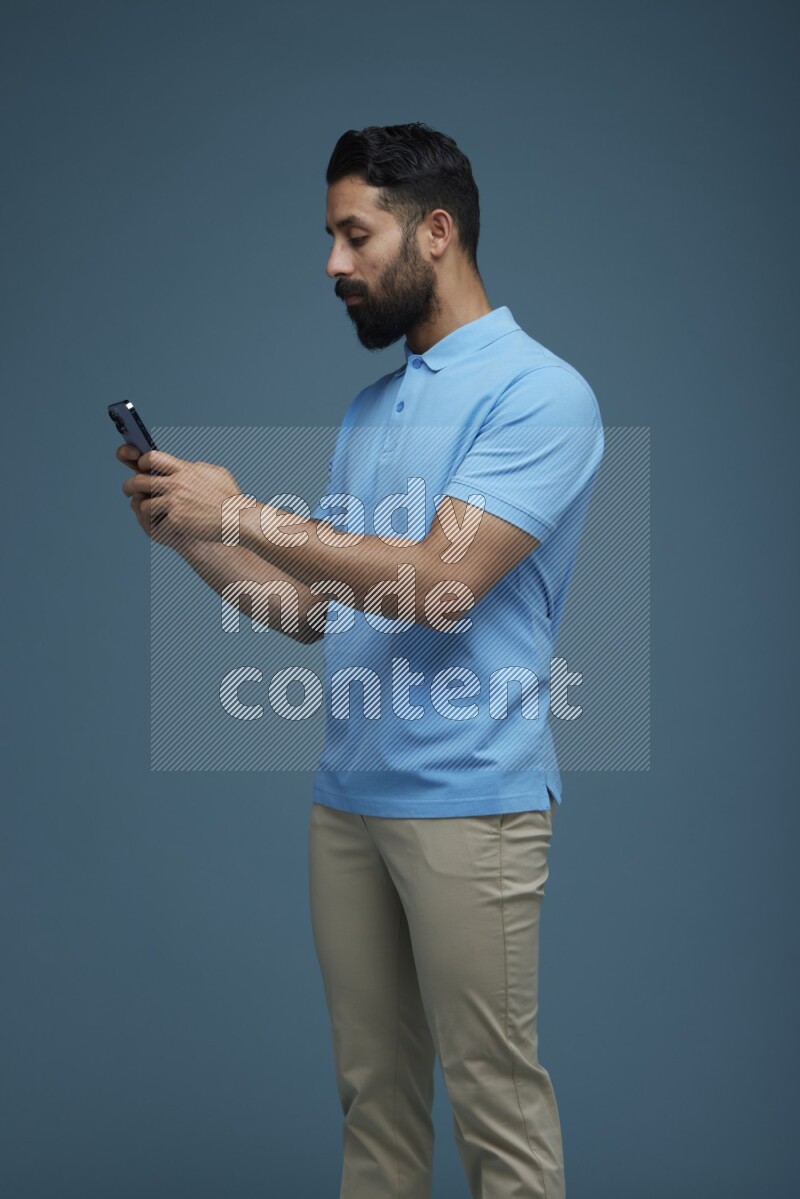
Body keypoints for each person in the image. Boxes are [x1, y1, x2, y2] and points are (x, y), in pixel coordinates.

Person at [116, 121, 604, 1199]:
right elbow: (315, 614)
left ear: (434, 232)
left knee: (496, 1113)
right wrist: (197, 535)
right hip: (347, 803)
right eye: (330, 237)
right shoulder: (372, 408)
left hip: (471, 803)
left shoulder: (539, 394)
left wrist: (242, 506)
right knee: (373, 1108)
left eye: (354, 234)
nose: (332, 264)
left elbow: (439, 585)